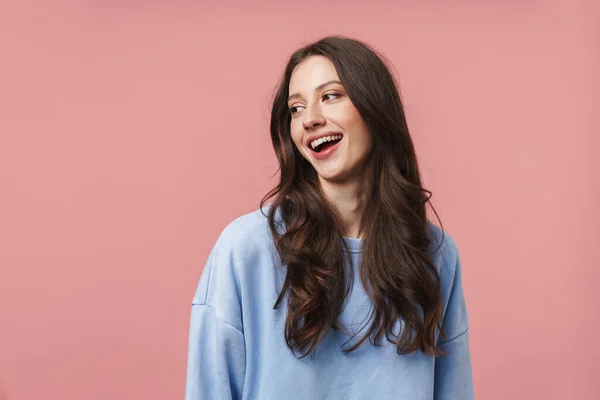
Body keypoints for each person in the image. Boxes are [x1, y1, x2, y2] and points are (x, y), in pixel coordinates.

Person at [185, 36, 473, 400]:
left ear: (375, 108)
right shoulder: (246, 249)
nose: (310, 120)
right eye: (296, 108)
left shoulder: (436, 255)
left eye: (331, 95)